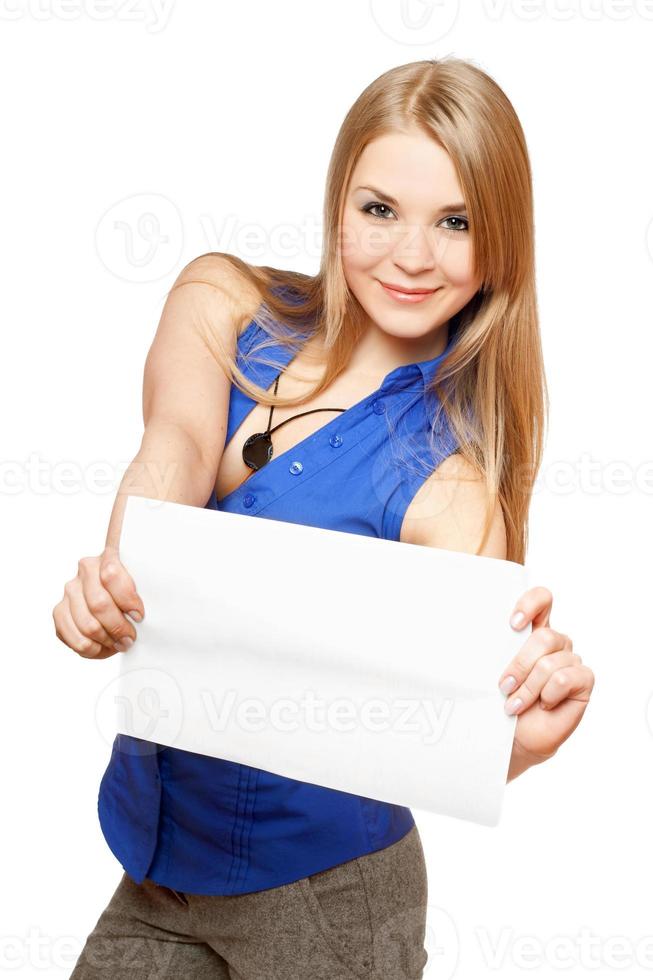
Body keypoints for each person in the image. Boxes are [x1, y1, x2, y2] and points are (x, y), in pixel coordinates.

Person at [55, 56, 595, 979]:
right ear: (336, 202)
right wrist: (118, 575)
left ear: (501, 242)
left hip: (330, 903)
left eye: (456, 223)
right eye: (378, 209)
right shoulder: (221, 301)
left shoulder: (453, 490)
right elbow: (177, 441)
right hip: (156, 869)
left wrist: (518, 749)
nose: (412, 256)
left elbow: (431, 738)